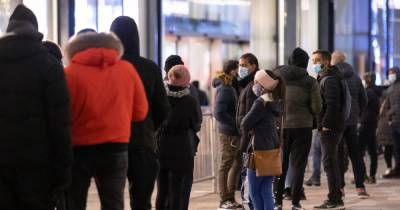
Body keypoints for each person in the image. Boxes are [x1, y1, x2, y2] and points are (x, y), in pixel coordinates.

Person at [64, 32, 148, 210]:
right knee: (113, 202)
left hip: (79, 148)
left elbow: (64, 114)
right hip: (115, 146)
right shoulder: (126, 70)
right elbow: (141, 113)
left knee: (74, 201)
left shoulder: (69, 73)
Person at [0, 5, 72, 210]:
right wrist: (63, 169)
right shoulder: (49, 65)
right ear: (35, 30)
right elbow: (60, 123)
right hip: (39, 166)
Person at [110, 16, 170, 210]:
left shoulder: (109, 67)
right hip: (143, 142)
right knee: (142, 201)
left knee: (111, 200)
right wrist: (149, 126)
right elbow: (162, 108)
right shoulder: (149, 68)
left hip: (112, 143)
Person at [273, 47, 322, 210]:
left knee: (281, 165)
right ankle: (295, 202)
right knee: (299, 165)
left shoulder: (278, 77)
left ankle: (277, 202)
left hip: (282, 126)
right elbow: (317, 107)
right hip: (303, 127)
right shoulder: (310, 82)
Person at [156, 65, 202, 210]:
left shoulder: (160, 97)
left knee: (161, 189)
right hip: (181, 148)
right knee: (177, 190)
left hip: (161, 146)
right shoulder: (190, 101)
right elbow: (196, 124)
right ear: (186, 79)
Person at [241, 70, 284, 210]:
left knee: (254, 192)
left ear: (263, 85)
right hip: (272, 149)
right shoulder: (275, 101)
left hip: (258, 151)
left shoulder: (261, 102)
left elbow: (245, 123)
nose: (254, 85)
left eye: (256, 82)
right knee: (266, 189)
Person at [331, 51, 369, 198]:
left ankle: (340, 188)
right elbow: (364, 99)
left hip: (338, 121)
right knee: (356, 154)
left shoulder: (333, 76)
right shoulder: (355, 76)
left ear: (333, 61)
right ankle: (360, 187)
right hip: (352, 121)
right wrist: (357, 114)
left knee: (338, 155)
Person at [312, 50, 345, 209]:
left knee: (329, 162)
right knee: (331, 162)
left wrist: (325, 124)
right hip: (330, 126)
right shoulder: (327, 77)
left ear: (326, 62)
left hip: (330, 128)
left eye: (317, 60)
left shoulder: (330, 79)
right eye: (313, 61)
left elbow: (332, 105)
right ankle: (336, 197)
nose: (314, 64)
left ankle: (335, 199)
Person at [214, 60, 243, 209]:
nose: (240, 71)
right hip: (229, 133)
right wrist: (236, 124)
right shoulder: (226, 88)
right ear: (232, 71)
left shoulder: (231, 86)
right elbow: (219, 112)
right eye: (238, 69)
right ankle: (224, 199)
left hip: (234, 132)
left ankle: (230, 197)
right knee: (226, 165)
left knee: (237, 164)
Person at [236, 53, 261, 210]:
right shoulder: (247, 84)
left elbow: (251, 115)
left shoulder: (252, 86)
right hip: (248, 136)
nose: (241, 68)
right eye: (240, 65)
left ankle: (250, 205)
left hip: (250, 139)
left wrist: (245, 129)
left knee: (248, 177)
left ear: (253, 66)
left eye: (244, 65)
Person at [359, 72, 380, 184]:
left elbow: (361, 106)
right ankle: (372, 175)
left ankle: (363, 176)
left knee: (359, 151)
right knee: (372, 151)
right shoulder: (377, 92)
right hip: (373, 123)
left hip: (365, 123)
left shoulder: (368, 93)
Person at [383, 66, 400, 178]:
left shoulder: (395, 88)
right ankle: (397, 169)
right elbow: (387, 104)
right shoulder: (390, 88)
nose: (391, 75)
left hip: (396, 121)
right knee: (396, 148)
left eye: (393, 73)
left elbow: (396, 106)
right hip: (394, 122)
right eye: (389, 73)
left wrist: (389, 113)